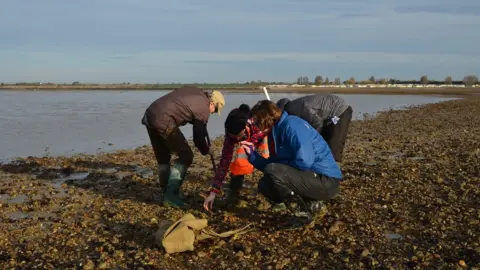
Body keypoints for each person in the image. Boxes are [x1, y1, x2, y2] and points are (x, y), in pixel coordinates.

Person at [240, 100, 343, 226]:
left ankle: (302, 214)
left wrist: (283, 169)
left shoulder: (291, 126)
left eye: (256, 122)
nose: (255, 126)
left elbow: (305, 161)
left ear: (265, 119)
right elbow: (274, 166)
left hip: (326, 180)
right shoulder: (277, 131)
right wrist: (253, 156)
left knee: (273, 170)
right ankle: (312, 205)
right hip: (311, 178)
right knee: (265, 184)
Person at [141, 85, 225, 208]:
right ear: (212, 103)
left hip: (151, 114)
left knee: (163, 155)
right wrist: (207, 150)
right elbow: (198, 139)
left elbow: (184, 108)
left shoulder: (197, 94)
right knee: (186, 155)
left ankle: (166, 192)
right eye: (215, 110)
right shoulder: (203, 108)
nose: (212, 113)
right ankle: (171, 195)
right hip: (164, 119)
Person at [202, 104, 270, 211]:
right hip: (249, 138)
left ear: (245, 128)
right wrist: (213, 191)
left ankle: (275, 196)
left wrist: (254, 148)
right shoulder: (231, 134)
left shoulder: (258, 125)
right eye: (233, 137)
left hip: (265, 139)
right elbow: (224, 162)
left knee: (270, 165)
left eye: (238, 136)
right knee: (239, 163)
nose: (236, 139)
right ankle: (234, 192)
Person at [276, 94, 353, 165]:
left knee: (334, 146)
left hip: (340, 111)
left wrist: (312, 140)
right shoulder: (294, 107)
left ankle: (335, 175)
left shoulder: (294, 109)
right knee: (324, 145)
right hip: (328, 116)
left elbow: (317, 122)